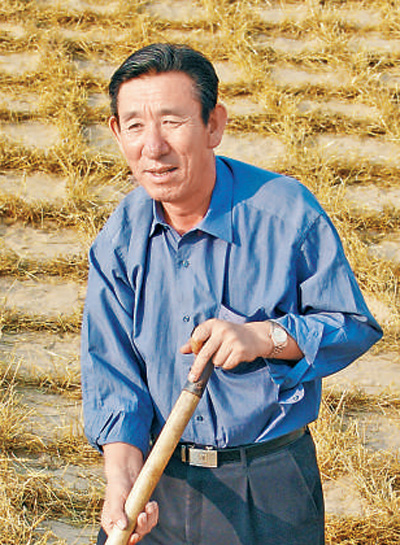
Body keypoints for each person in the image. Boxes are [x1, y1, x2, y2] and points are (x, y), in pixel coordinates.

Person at [80, 43, 382, 545]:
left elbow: (352, 326)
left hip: (266, 483)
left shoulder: (286, 213)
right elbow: (112, 374)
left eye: (172, 122)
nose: (153, 147)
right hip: (158, 479)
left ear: (213, 125)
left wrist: (266, 337)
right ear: (116, 132)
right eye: (134, 125)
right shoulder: (121, 235)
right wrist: (121, 483)